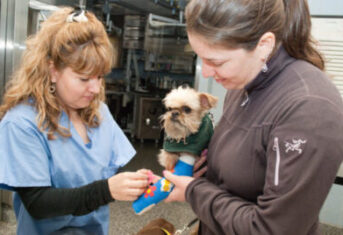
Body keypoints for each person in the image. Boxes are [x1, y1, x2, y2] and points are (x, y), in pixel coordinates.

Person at [163, 0, 343, 234]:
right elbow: (249, 164)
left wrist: (195, 191)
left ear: (264, 45)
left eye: (216, 61)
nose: (205, 72)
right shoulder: (242, 86)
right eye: (200, 58)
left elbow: (272, 229)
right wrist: (207, 170)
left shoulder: (310, 108)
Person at [0, 8, 149, 235]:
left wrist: (139, 181)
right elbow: (38, 202)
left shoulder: (99, 113)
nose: (96, 88)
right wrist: (106, 191)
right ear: (52, 71)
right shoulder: (22, 123)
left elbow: (109, 171)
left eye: (99, 76)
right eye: (84, 78)